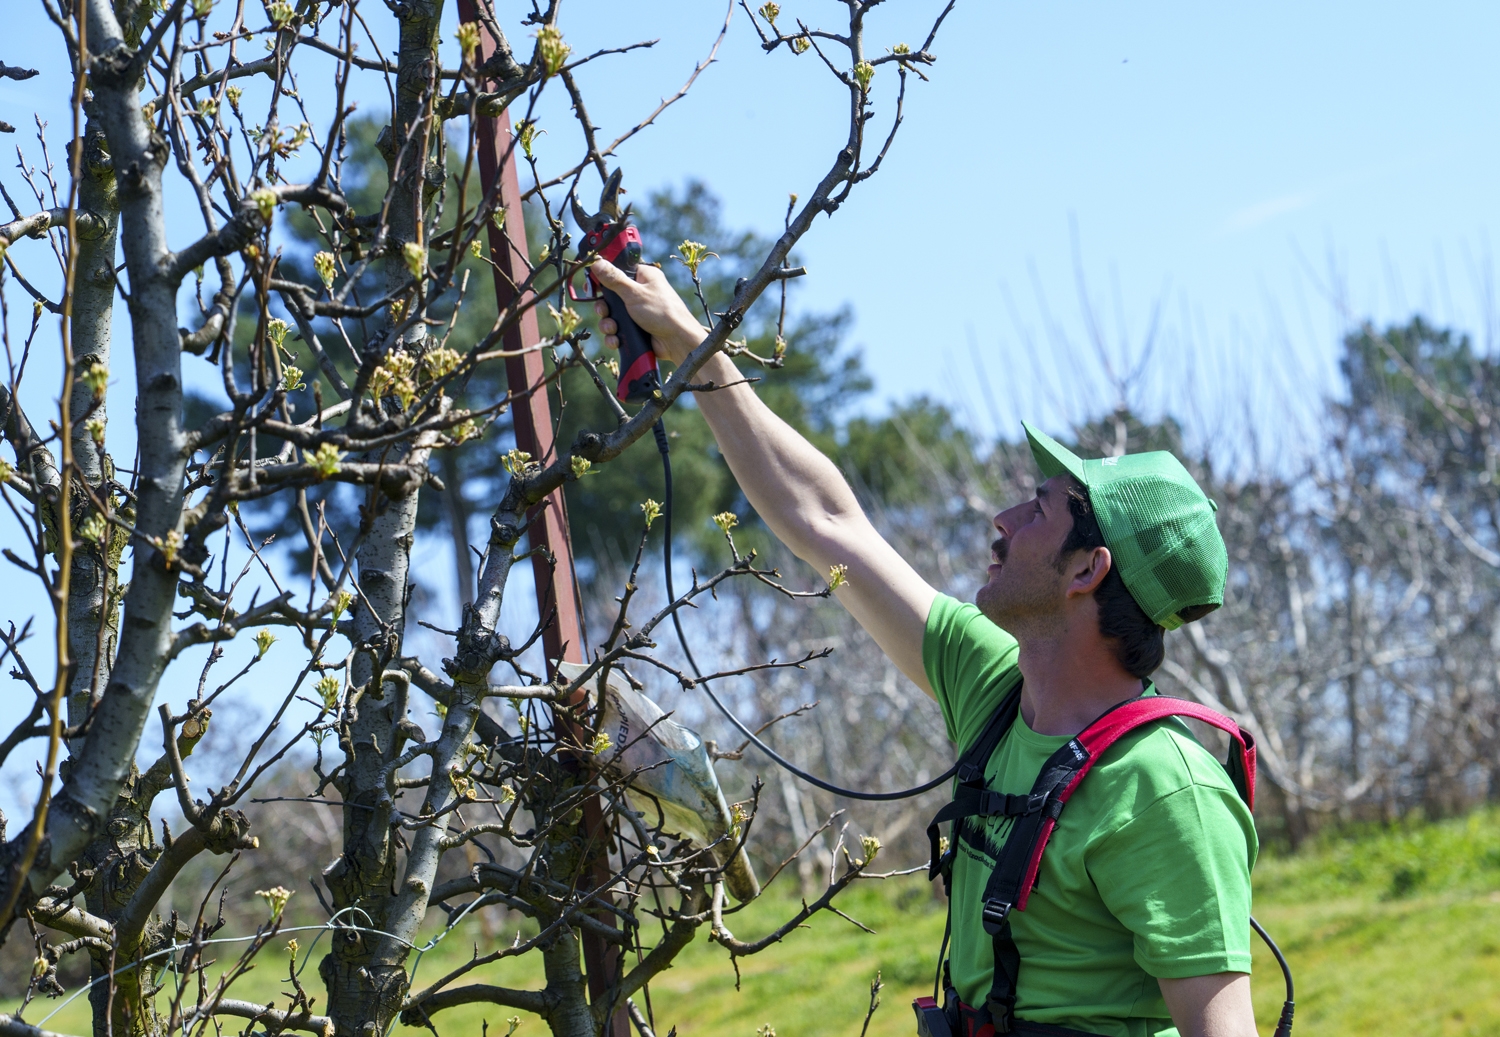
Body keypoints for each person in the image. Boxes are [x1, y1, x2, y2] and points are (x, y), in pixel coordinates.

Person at [589, 259, 1259, 1037]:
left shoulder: (1166, 790)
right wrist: (695, 349)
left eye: (1038, 508)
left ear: (1086, 568)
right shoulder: (994, 689)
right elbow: (827, 523)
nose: (1002, 519)